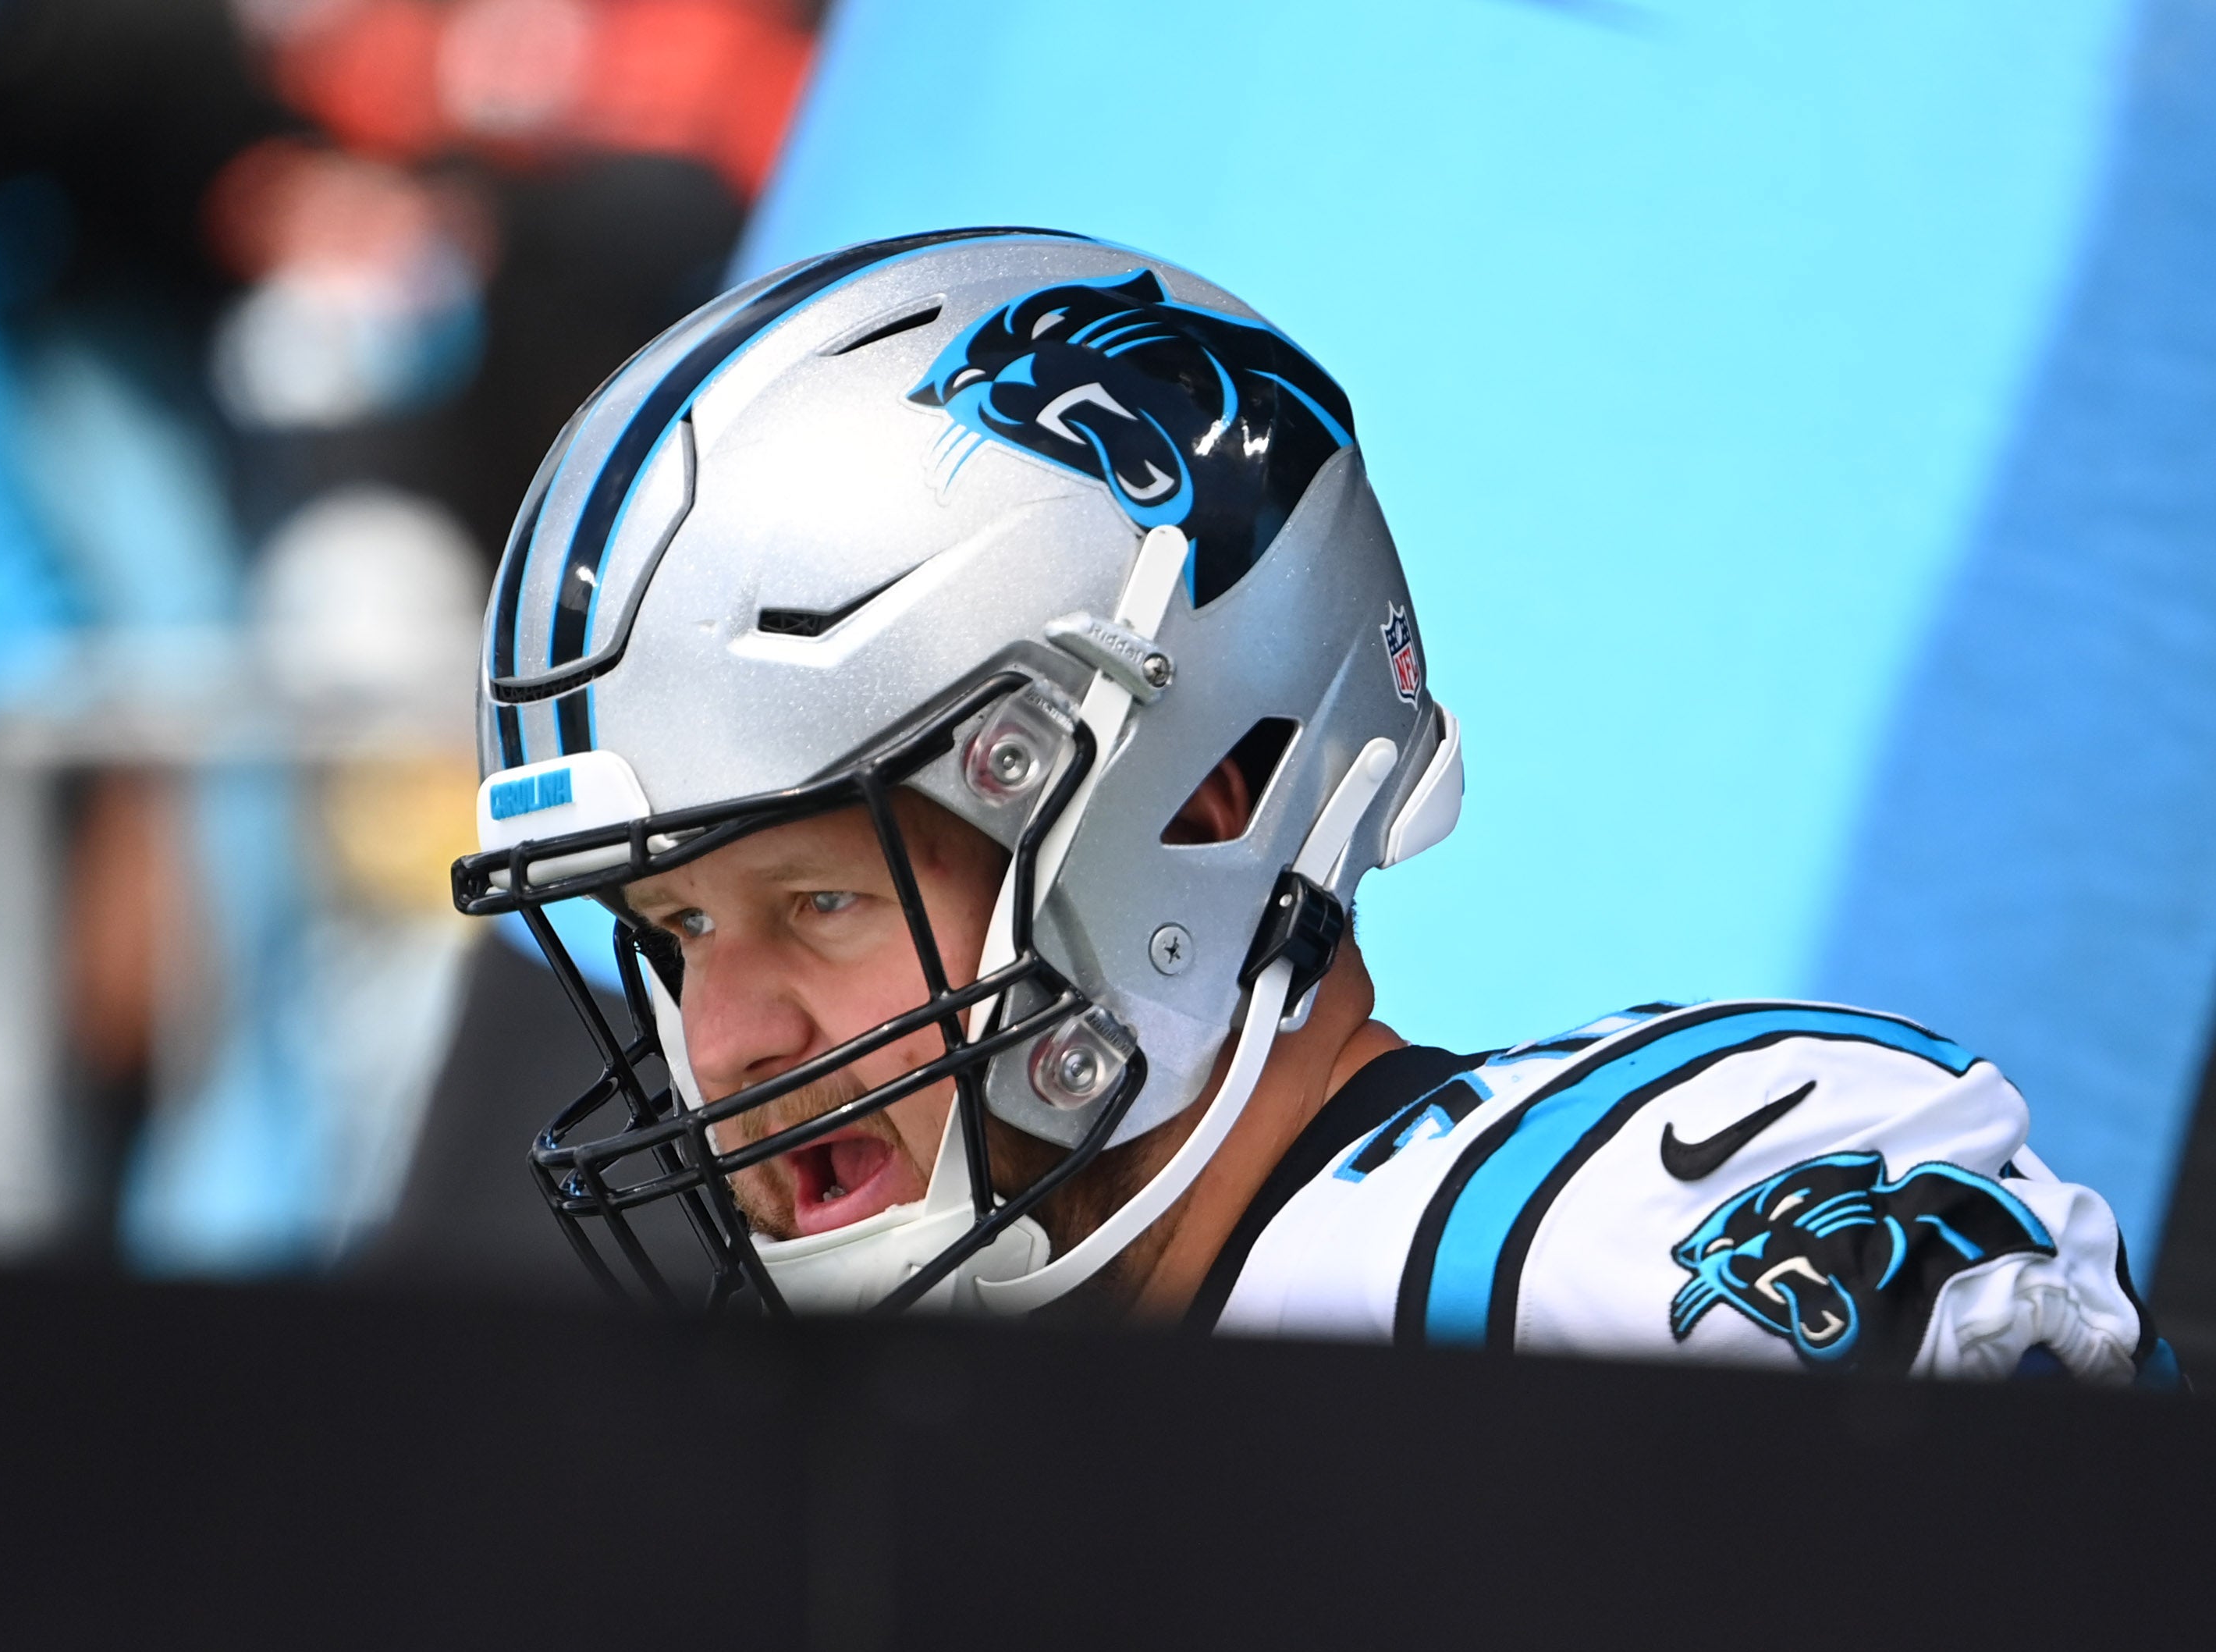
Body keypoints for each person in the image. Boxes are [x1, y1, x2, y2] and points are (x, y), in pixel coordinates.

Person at [446, 228, 2175, 1385]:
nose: (723, 1041)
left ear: (1203, 801)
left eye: (820, 901)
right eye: (676, 931)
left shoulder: (1581, 1266)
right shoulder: (886, 1494)